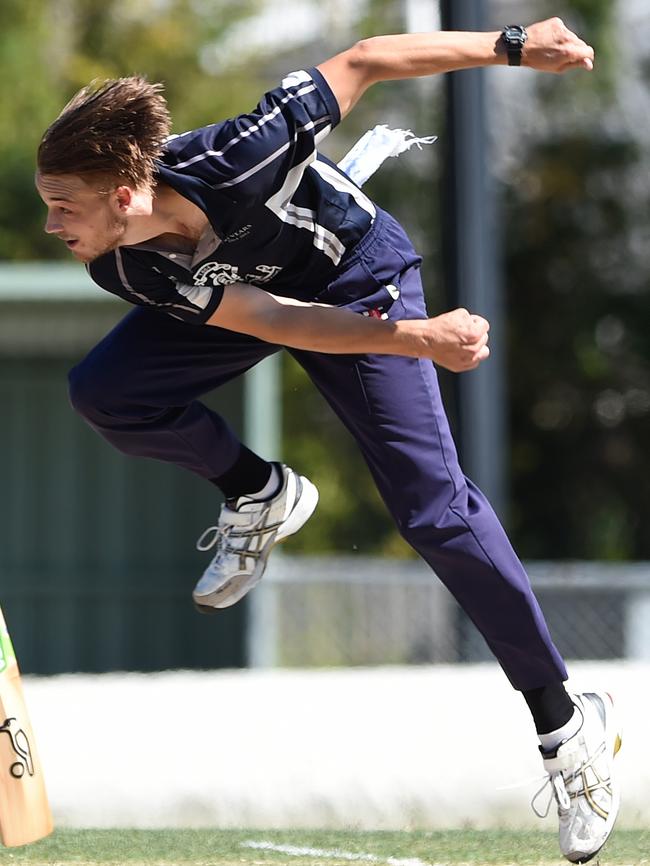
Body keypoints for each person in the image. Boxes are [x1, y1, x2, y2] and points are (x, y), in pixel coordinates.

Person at [36, 17, 620, 863]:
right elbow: (266, 320)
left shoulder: (242, 153)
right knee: (105, 392)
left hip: (360, 276)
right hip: (262, 297)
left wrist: (513, 44)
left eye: (65, 208)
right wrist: (416, 344)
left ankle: (570, 728)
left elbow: (366, 58)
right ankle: (257, 491)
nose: (54, 225)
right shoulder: (121, 262)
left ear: (127, 192)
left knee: (435, 514)